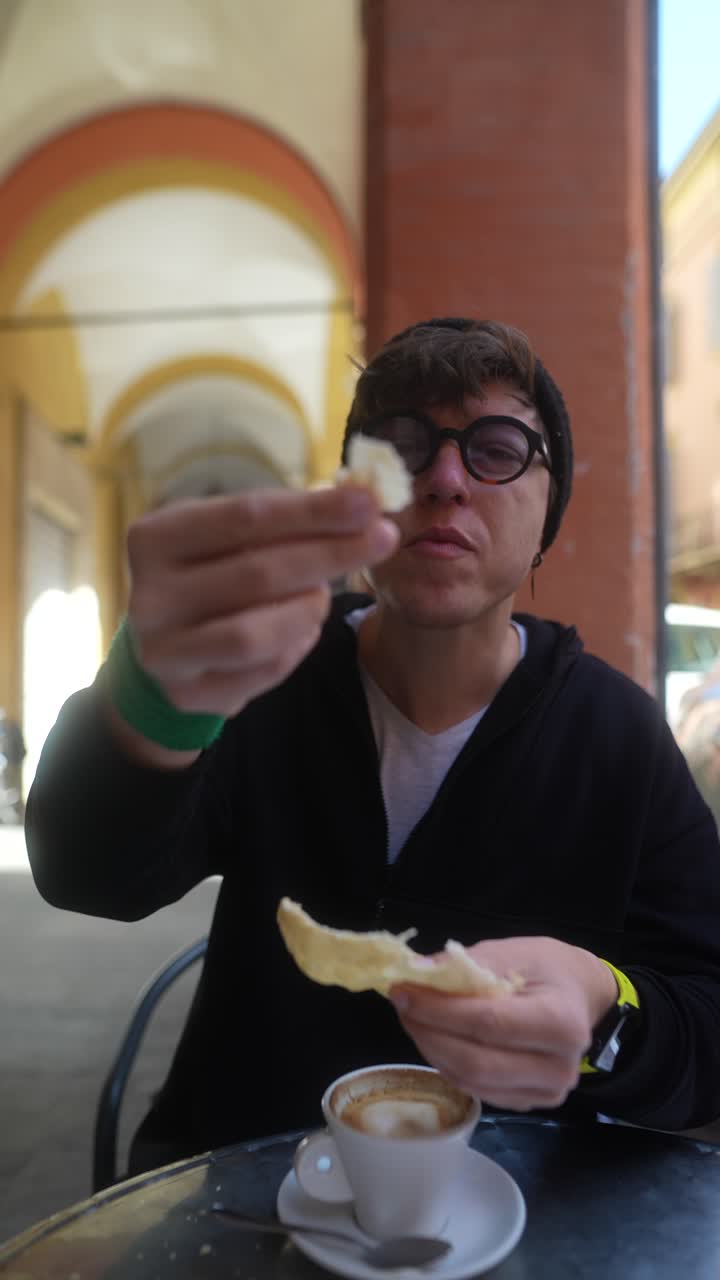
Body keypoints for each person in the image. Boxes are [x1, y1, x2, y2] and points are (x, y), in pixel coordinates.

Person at [26, 318, 720, 1176]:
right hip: (241, 1183)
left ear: (550, 512)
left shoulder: (618, 736)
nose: (446, 480)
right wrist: (153, 698)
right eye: (403, 446)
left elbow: (707, 1028)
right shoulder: (268, 677)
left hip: (521, 1205)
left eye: (498, 451)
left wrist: (606, 1014)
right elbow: (89, 876)